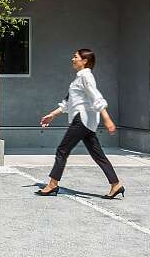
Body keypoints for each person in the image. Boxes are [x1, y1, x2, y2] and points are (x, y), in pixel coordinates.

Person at [35, 48, 125, 199]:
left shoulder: (85, 76)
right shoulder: (78, 79)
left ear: (84, 61)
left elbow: (96, 97)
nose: (73, 59)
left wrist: (107, 118)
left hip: (81, 120)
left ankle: (52, 184)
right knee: (98, 155)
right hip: (87, 123)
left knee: (62, 150)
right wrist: (52, 115)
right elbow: (68, 102)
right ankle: (116, 185)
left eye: (75, 57)